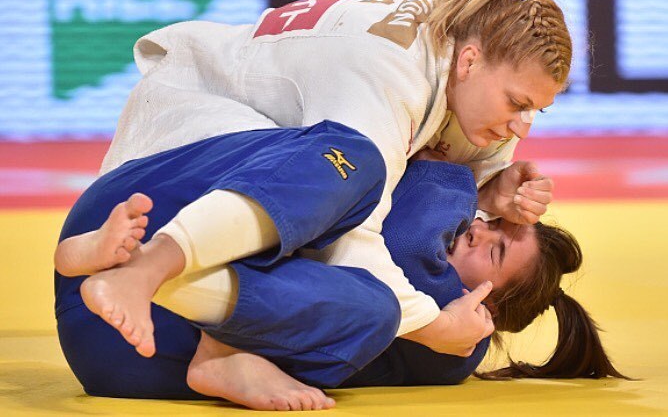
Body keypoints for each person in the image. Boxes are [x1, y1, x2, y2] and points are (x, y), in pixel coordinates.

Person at [75, 0, 573, 360]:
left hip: (216, 173)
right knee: (354, 170)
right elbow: (351, 233)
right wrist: (432, 326)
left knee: (369, 275)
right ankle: (156, 276)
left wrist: (488, 189)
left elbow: (433, 180)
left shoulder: (470, 38)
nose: (521, 126)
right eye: (517, 104)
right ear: (469, 62)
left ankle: (213, 340)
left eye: (536, 111)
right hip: (163, 171)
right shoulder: (388, 75)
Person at [54, 136, 624, 411]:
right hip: (150, 229)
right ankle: (140, 272)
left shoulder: (456, 343)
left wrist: (462, 185)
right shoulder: (439, 283)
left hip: (141, 342)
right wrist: (481, 192)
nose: (475, 230)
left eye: (494, 252)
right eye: (489, 224)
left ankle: (138, 272)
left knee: (375, 307)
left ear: (486, 306)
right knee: (339, 159)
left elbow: (415, 226)